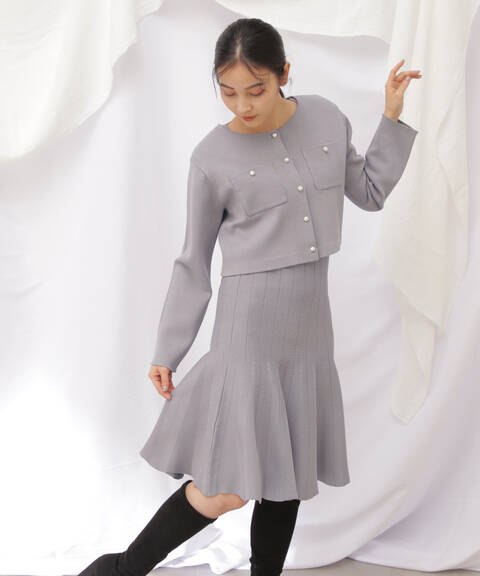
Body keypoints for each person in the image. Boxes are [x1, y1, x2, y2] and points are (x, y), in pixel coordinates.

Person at [77, 16, 420, 576]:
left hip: (310, 333)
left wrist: (391, 116)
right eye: (228, 91)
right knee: (226, 487)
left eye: (256, 89)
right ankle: (119, 570)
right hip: (248, 334)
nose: (243, 105)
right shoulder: (211, 157)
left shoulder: (326, 118)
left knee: (286, 480)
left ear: (284, 73)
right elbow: (193, 260)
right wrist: (168, 349)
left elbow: (370, 191)